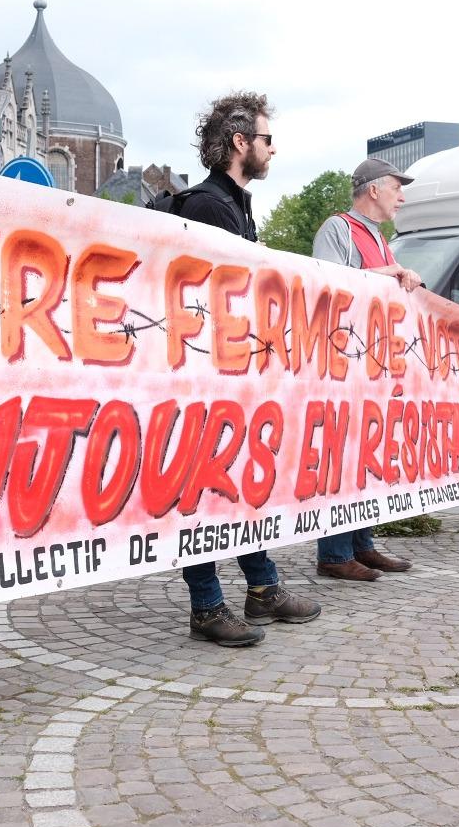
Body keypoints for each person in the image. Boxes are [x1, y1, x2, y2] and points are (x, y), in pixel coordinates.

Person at [165, 91, 321, 646]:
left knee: (236, 485)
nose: (273, 150)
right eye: (266, 139)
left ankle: (262, 588)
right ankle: (207, 606)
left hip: (233, 374)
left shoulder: (234, 206)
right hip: (204, 378)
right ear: (239, 142)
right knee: (205, 490)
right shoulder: (210, 207)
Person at [310, 157, 423, 580]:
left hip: (371, 364)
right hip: (341, 363)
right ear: (373, 189)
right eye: (397, 187)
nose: (402, 195)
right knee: (342, 455)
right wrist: (387, 273)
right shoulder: (337, 229)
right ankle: (335, 553)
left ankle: (361, 543)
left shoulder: (378, 238)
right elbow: (324, 284)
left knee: (366, 454)